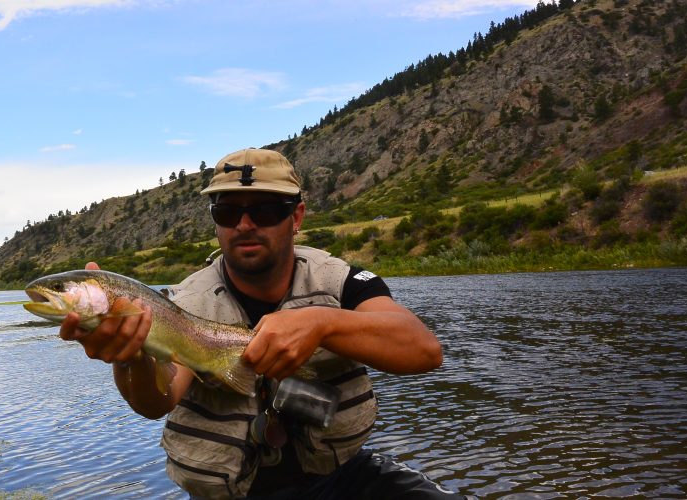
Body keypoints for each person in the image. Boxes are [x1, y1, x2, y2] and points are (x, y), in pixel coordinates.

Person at [60, 148, 457, 499]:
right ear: (215, 221)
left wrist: (323, 324)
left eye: (265, 210)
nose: (245, 225)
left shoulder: (343, 282)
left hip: (344, 479)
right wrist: (129, 359)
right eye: (228, 211)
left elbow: (423, 350)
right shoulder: (182, 303)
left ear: (296, 216)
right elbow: (155, 403)